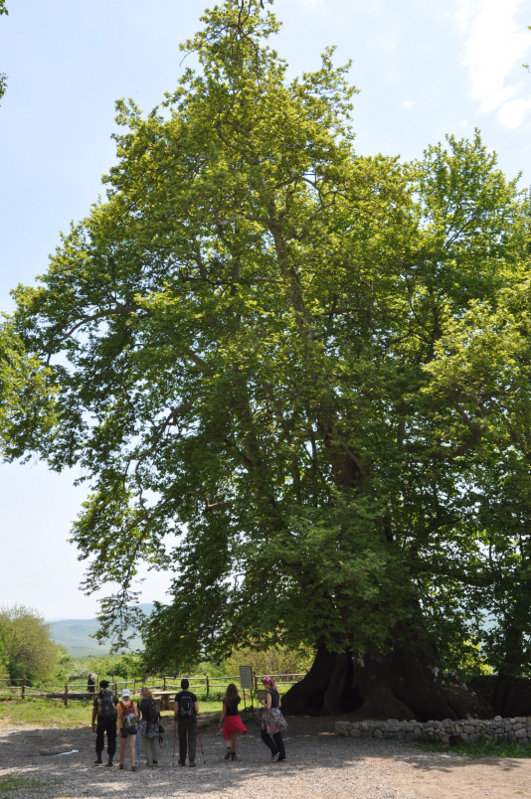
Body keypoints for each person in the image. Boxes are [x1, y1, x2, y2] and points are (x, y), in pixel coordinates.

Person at [260, 676, 287, 762]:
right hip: (277, 714)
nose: (263, 685)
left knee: (264, 734)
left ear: (267, 684)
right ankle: (282, 754)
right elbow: (279, 705)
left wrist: (264, 703)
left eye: (264, 683)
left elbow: (268, 706)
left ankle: (275, 750)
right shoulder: (276, 691)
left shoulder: (269, 692)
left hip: (270, 715)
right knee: (277, 735)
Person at [91, 679, 117, 767]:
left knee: (99, 738)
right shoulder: (113, 695)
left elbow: (95, 710)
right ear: (108, 686)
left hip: (101, 719)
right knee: (111, 738)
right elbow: (117, 707)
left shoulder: (98, 696)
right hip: (112, 719)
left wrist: (93, 722)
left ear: (100, 686)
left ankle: (99, 759)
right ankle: (110, 760)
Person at [174, 678, 199, 766]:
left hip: (181, 719)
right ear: (188, 685)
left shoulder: (178, 696)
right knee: (192, 739)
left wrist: (175, 716)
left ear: (181, 686)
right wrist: (195, 714)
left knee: (182, 739)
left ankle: (182, 759)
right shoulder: (192, 696)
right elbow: (196, 709)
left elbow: (176, 709)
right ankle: (191, 760)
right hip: (191, 718)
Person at [219, 682, 247, 760]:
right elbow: (238, 698)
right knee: (235, 737)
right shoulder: (237, 698)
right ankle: (233, 754)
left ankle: (228, 747)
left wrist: (221, 721)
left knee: (226, 735)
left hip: (228, 719)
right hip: (236, 718)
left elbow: (224, 711)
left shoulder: (225, 700)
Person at [138, 686, 162, 767]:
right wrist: (159, 723)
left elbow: (138, 715)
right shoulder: (153, 701)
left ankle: (149, 762)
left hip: (145, 723)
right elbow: (158, 714)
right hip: (154, 723)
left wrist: (138, 722)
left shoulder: (140, 703)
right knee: (154, 742)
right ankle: (155, 760)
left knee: (146, 743)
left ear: (141, 693)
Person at [117, 688, 139, 771]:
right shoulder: (133, 703)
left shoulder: (119, 705)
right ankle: (133, 765)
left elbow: (119, 717)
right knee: (132, 746)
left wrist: (118, 728)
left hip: (123, 727)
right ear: (129, 695)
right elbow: (136, 715)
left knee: (123, 746)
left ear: (123, 696)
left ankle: (121, 763)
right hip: (132, 726)